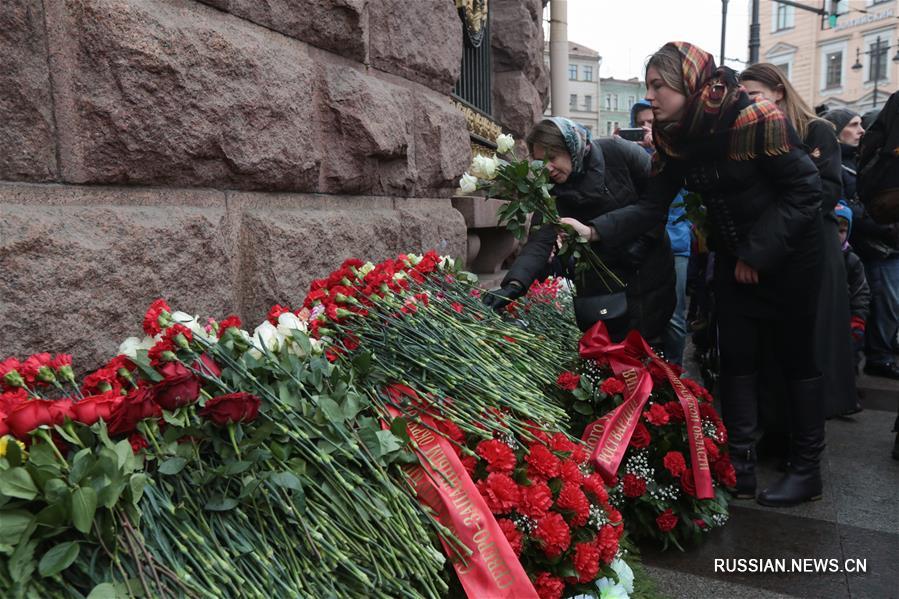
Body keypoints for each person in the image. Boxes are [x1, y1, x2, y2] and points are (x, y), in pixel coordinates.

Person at [581, 42, 826, 507]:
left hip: (790, 255)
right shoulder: (677, 136)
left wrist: (757, 253)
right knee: (737, 357)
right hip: (736, 258)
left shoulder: (754, 117)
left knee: (795, 359)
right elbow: (652, 206)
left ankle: (807, 469)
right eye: (648, 85)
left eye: (658, 85)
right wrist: (594, 230)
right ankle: (741, 466)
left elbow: (805, 190)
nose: (650, 96)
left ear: (688, 83)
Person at [483, 117, 675, 343]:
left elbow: (657, 202)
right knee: (612, 353)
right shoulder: (550, 191)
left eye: (552, 158)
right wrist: (514, 285)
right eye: (539, 161)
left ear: (570, 147)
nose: (547, 168)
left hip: (649, 273)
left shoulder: (618, 152)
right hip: (604, 286)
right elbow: (540, 241)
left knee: (655, 349)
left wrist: (639, 245)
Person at [740, 64, 857, 420]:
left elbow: (825, 190)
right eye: (742, 97)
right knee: (778, 340)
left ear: (779, 90)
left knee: (815, 334)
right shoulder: (751, 134)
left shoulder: (816, 129)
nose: (748, 103)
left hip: (814, 241)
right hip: (774, 242)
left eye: (754, 94)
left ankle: (813, 418)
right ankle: (778, 419)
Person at [825, 109, 899, 380]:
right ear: (835, 129)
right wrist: (886, 225)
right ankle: (871, 359)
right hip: (869, 246)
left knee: (883, 305)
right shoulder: (835, 162)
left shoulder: (859, 160)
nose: (861, 131)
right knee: (873, 305)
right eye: (853, 125)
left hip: (879, 243)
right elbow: (851, 206)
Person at [629, 100, 691, 365]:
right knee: (641, 310)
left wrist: (661, 152)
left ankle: (676, 374)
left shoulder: (678, 153)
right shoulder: (633, 155)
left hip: (675, 242)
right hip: (641, 242)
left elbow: (685, 195)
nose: (646, 128)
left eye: (651, 123)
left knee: (674, 315)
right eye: (641, 124)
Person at [835, 202, 870, 373]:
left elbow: (861, 292)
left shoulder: (852, 261)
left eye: (842, 231)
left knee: (850, 360)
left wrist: (858, 318)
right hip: (824, 320)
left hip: (848, 320)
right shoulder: (816, 256)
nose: (838, 236)